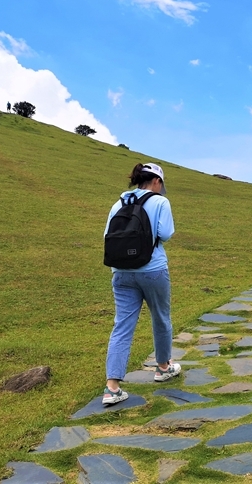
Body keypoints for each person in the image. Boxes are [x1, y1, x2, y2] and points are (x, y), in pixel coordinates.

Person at [102, 163, 179, 406]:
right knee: (160, 317)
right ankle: (163, 367)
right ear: (156, 181)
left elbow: (108, 234)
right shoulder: (159, 202)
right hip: (152, 269)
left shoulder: (119, 203)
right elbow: (165, 233)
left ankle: (112, 387)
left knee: (122, 325)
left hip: (121, 272)